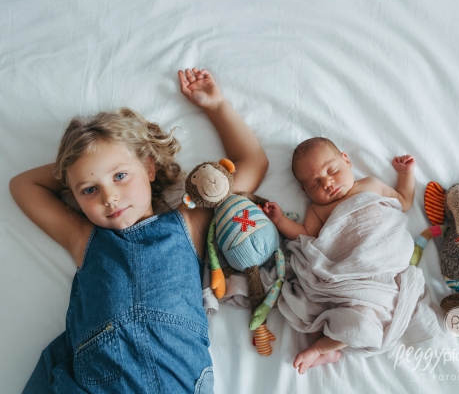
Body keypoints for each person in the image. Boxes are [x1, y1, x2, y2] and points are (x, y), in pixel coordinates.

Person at [10, 68, 268, 393]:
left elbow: (252, 161)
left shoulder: (189, 222)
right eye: (89, 189)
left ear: (148, 167)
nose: (109, 197)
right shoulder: (83, 238)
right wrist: (78, 166)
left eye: (119, 176)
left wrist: (216, 107)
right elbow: (23, 186)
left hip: (176, 378)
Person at [262, 137, 416, 374]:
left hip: (381, 267)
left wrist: (405, 174)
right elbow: (305, 235)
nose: (327, 183)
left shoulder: (371, 185)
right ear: (305, 191)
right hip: (344, 277)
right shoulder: (318, 209)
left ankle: (321, 348)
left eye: (332, 170)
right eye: (315, 184)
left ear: (346, 160)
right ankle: (326, 345)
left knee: (365, 320)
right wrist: (280, 220)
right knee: (307, 303)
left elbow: (404, 201)